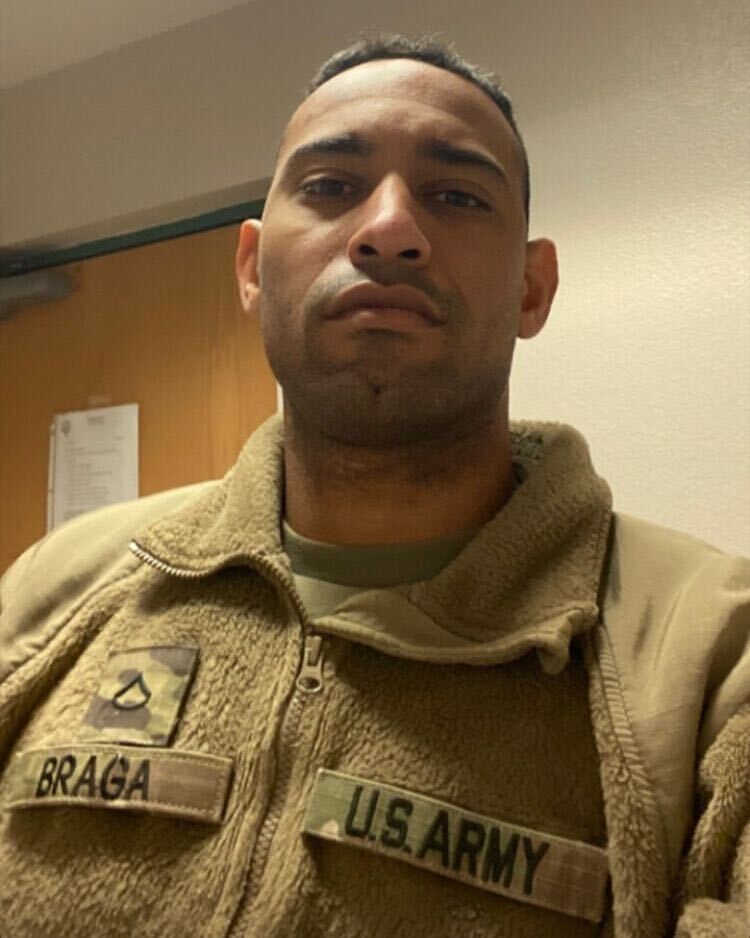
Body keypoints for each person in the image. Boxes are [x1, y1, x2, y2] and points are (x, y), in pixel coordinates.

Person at [0, 33, 747, 938]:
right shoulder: (58, 587)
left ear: (531, 288)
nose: (390, 227)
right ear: (251, 268)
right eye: (330, 186)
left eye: (456, 196)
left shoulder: (714, 658)